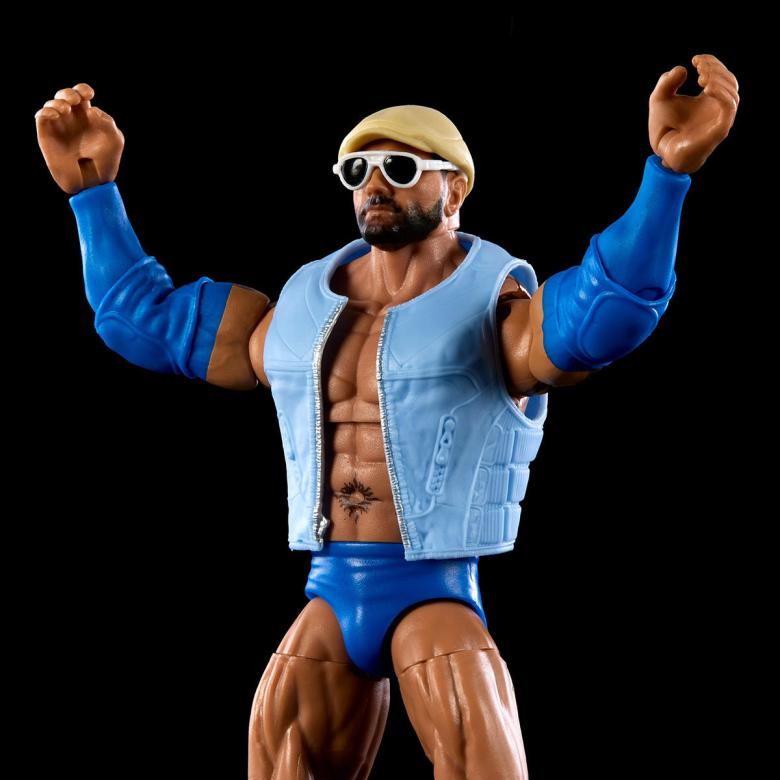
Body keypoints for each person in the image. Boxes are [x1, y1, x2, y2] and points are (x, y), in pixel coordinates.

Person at [35, 53, 738, 779]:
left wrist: (667, 176)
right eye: (358, 171)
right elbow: (140, 319)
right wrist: (93, 194)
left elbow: (606, 312)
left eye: (400, 169)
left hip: (435, 589)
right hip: (330, 586)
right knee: (277, 760)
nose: (374, 184)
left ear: (454, 187)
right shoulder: (297, 308)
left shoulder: (496, 305)